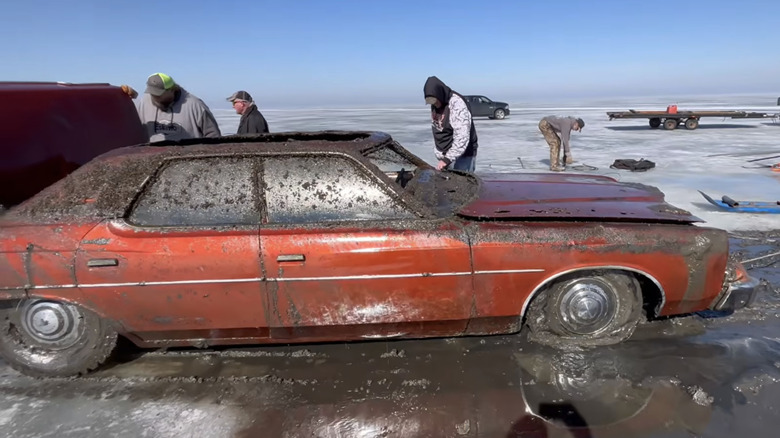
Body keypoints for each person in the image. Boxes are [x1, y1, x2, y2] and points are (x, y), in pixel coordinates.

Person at [136, 73, 221, 142]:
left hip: (186, 160)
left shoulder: (195, 105)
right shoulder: (144, 102)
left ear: (172, 90)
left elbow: (213, 136)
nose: (154, 97)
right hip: (152, 160)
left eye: (158, 94)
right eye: (152, 93)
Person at [423, 76, 478, 172]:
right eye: (430, 102)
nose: (434, 104)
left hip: (462, 156)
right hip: (446, 155)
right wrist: (440, 153)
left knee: (462, 185)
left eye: (435, 101)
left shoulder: (457, 104)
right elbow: (438, 127)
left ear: (439, 94)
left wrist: (447, 159)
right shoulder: (436, 104)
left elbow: (462, 136)